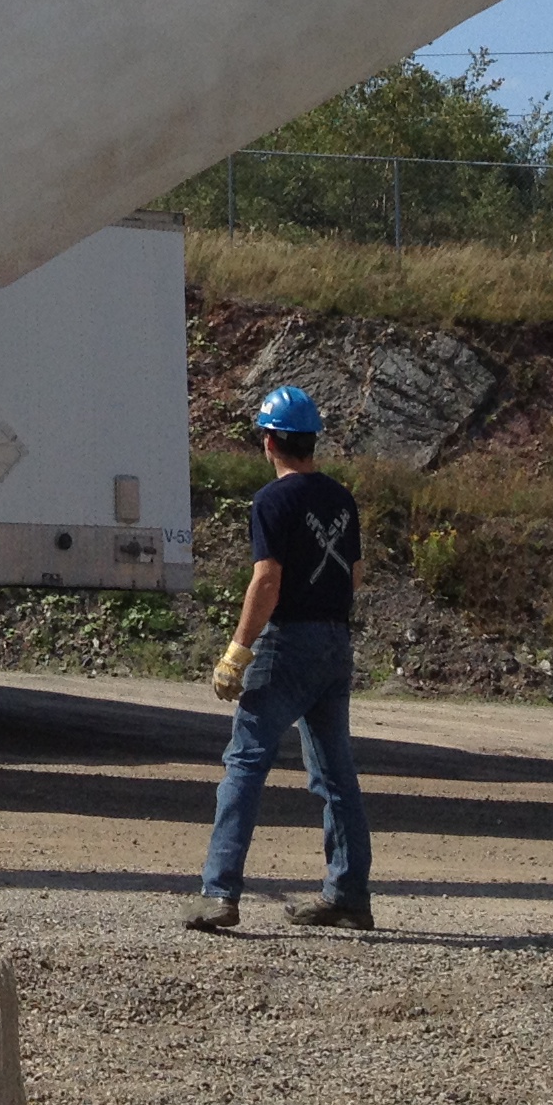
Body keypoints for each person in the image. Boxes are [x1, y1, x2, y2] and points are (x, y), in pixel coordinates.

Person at [187, 385, 373, 933]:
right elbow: (355, 575)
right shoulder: (342, 498)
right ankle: (348, 895)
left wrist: (237, 652)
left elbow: (267, 580)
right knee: (336, 774)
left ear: (269, 442)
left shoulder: (272, 502)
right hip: (334, 644)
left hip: (286, 642)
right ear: (310, 440)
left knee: (245, 764)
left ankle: (219, 892)